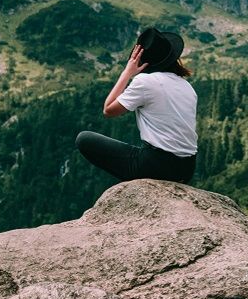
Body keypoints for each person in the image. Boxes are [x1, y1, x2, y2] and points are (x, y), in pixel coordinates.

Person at [75, 27, 198, 183]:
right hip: (187, 168)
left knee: (84, 139)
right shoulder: (187, 86)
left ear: (143, 61)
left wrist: (127, 72)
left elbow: (108, 110)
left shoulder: (145, 82)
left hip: (157, 166)